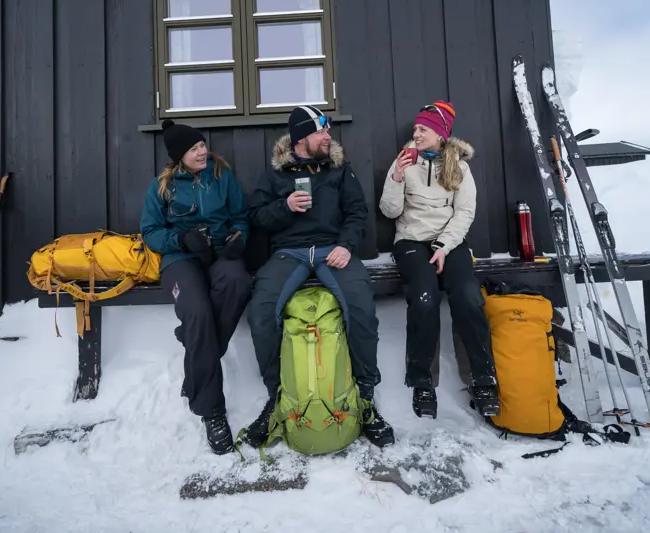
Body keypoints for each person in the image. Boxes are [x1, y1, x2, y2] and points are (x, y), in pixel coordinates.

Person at [241, 105, 395, 449]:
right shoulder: (275, 175)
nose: (328, 137)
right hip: (289, 252)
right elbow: (256, 216)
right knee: (261, 311)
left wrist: (346, 245)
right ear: (301, 139)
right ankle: (278, 397)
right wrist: (285, 207)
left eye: (327, 131)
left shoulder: (339, 170)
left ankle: (366, 398)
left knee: (361, 309)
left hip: (332, 250)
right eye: (321, 132)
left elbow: (357, 211)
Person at [379, 101, 500, 419]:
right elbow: (389, 211)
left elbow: (465, 212)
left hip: (450, 242)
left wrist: (444, 246)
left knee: (467, 296)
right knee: (424, 298)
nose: (415, 134)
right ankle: (422, 382)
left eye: (423, 129)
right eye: (415, 129)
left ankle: (483, 378)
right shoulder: (404, 160)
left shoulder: (459, 166)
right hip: (411, 242)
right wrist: (396, 176)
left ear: (440, 134)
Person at [140, 119, 252, 455]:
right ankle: (211, 410)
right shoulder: (162, 187)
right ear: (179, 156)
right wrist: (182, 238)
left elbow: (241, 218)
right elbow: (150, 232)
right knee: (198, 313)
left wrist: (238, 240)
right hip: (180, 260)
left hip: (219, 255)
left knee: (238, 281)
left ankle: (196, 350)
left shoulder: (222, 177)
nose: (202, 151)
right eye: (194, 149)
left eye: (202, 145)